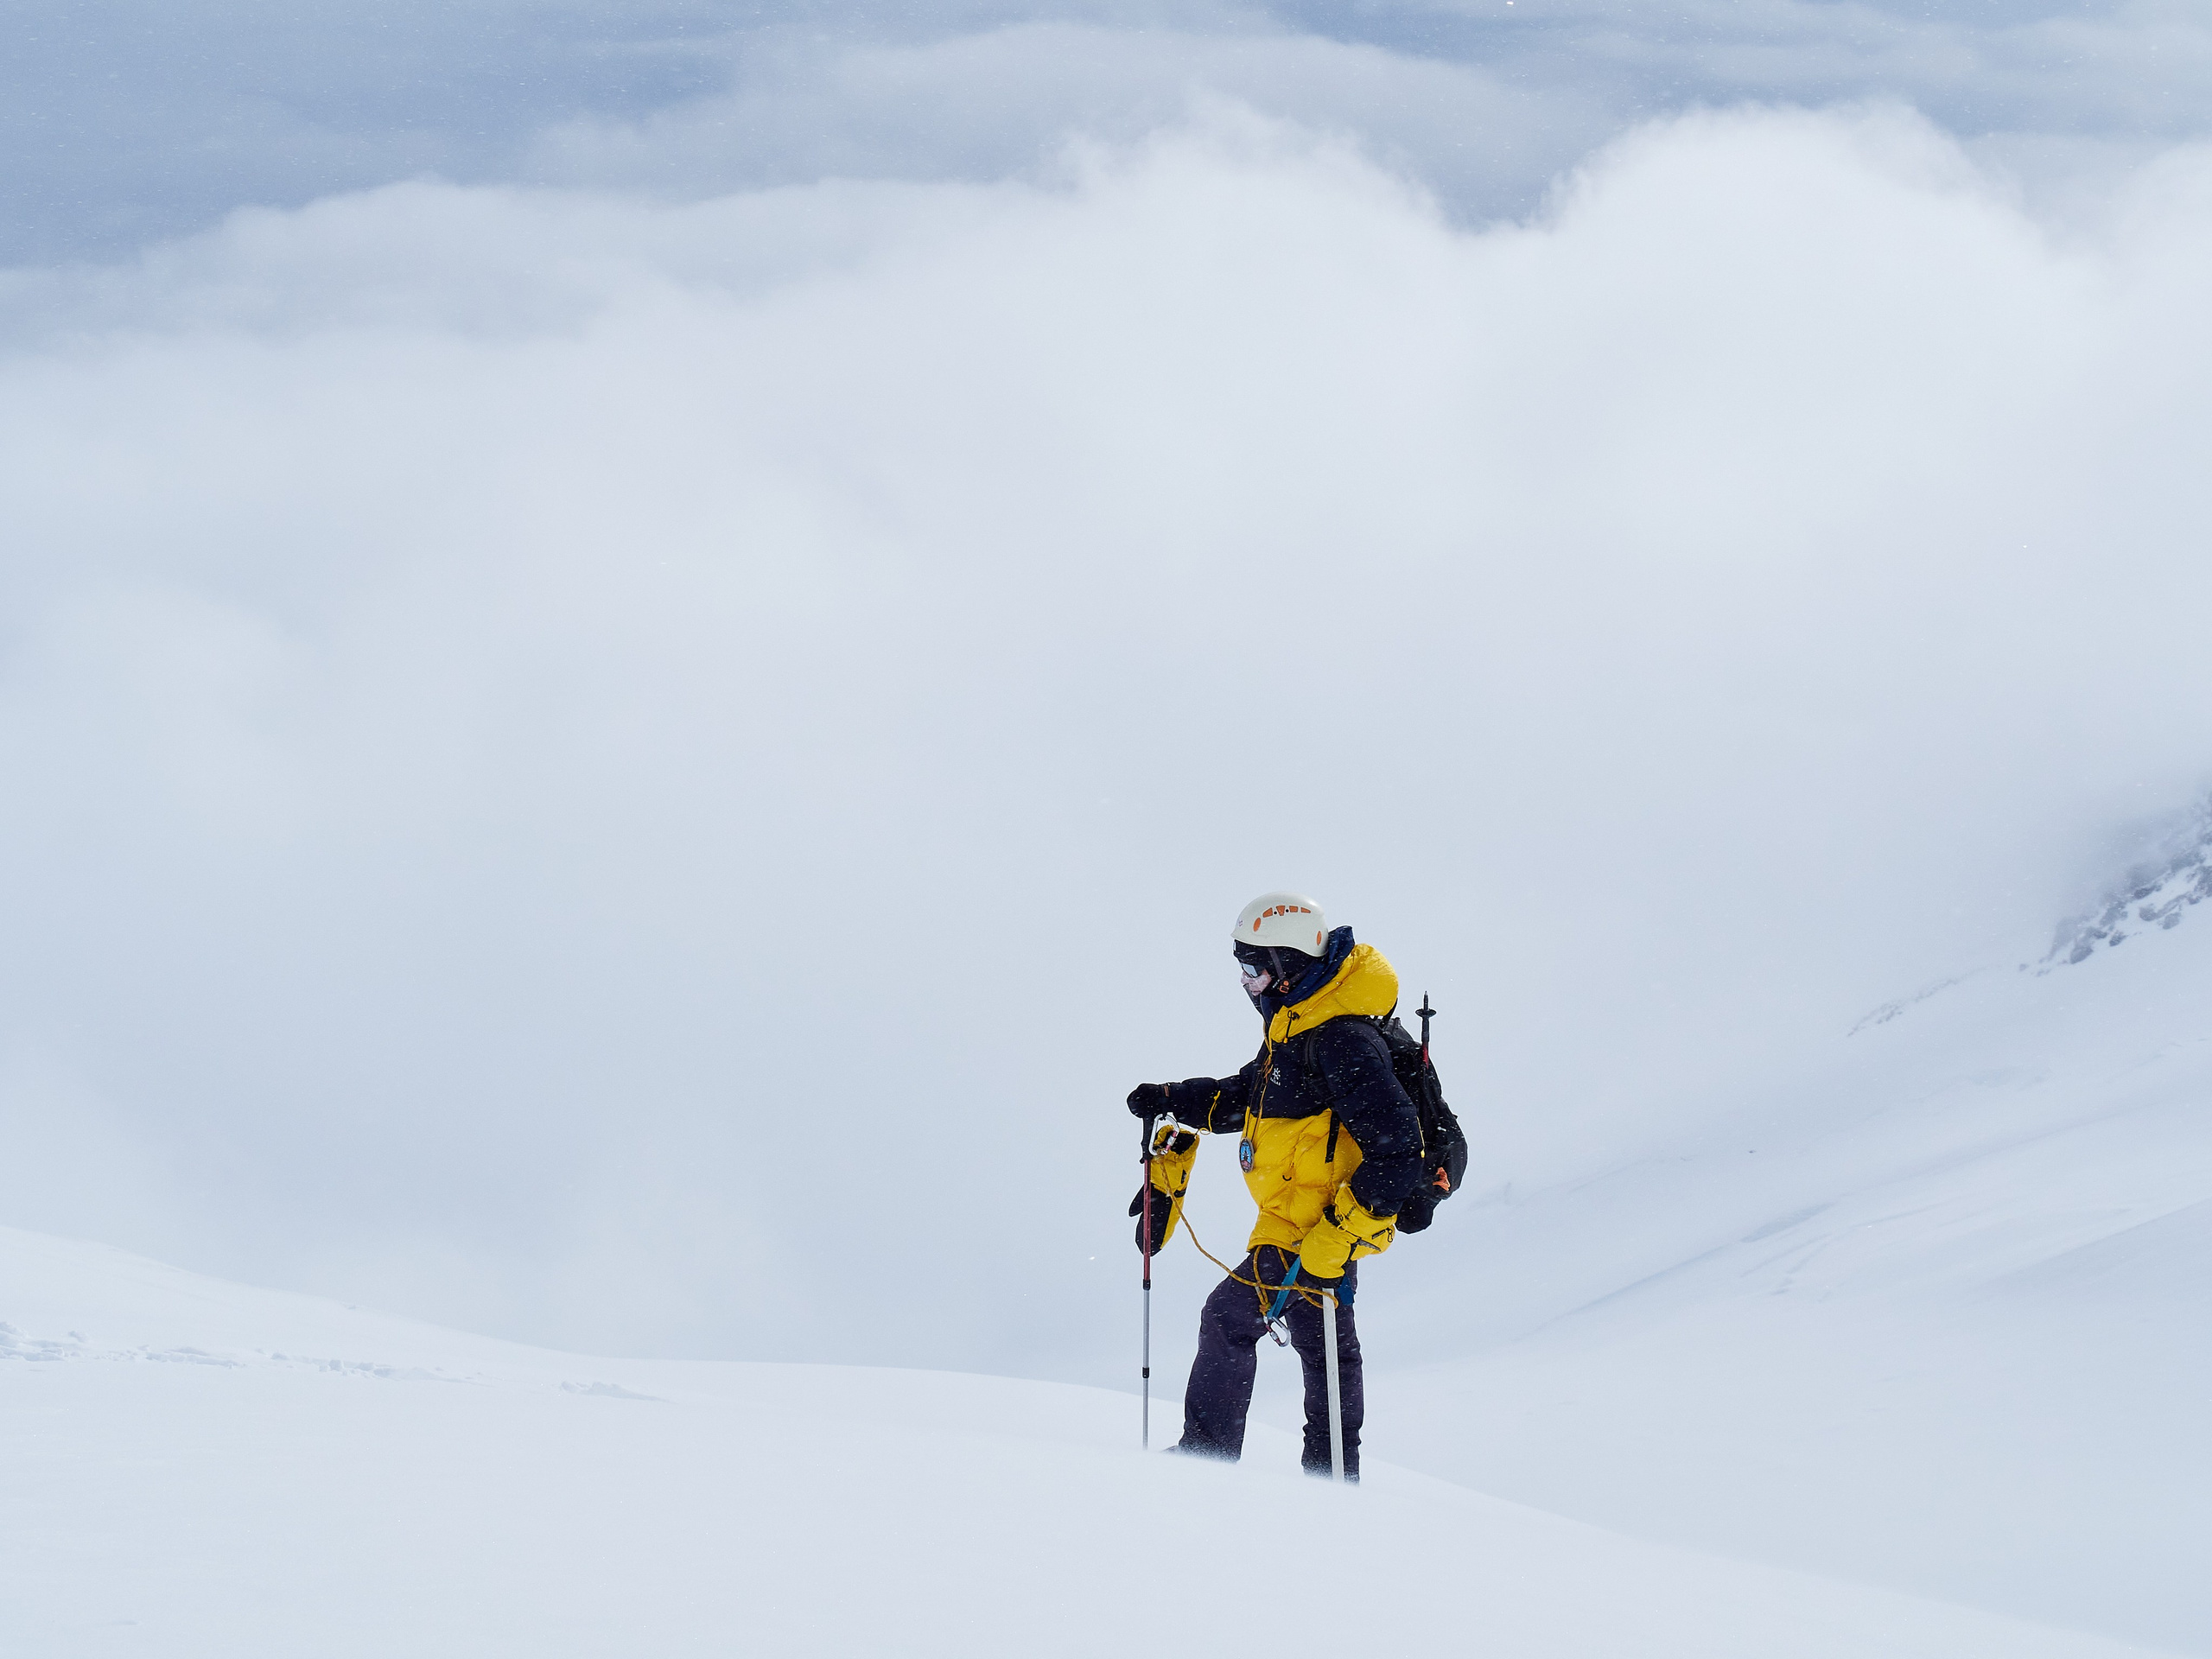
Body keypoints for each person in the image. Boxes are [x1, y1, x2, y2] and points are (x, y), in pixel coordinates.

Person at [1126, 892, 1422, 1480]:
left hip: (1315, 1228)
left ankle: (1205, 1462)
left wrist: (1336, 1239)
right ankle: (1332, 1480)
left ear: (1287, 966)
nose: (1245, 982)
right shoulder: (1297, 1029)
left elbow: (1398, 1152)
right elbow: (1247, 1096)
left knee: (1228, 1320)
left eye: (1253, 967)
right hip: (1299, 1221)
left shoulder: (1341, 1041)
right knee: (1326, 1349)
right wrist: (1171, 1100)